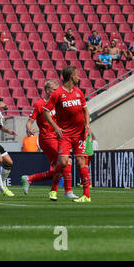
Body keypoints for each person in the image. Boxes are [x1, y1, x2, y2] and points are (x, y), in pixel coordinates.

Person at [43, 65, 92, 202]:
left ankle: (86, 195)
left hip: (80, 133)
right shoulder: (57, 93)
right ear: (71, 77)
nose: (78, 77)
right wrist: (56, 127)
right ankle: (54, 189)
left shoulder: (79, 93)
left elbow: (85, 110)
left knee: (80, 160)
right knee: (63, 163)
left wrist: (87, 124)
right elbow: (45, 111)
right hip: (65, 134)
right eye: (76, 75)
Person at [21, 80, 77, 199]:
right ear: (47, 90)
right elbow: (29, 122)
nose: (57, 92)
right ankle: (67, 191)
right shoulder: (39, 104)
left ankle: (30, 179)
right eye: (54, 90)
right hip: (47, 138)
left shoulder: (58, 104)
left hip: (59, 138)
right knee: (66, 161)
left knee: (59, 169)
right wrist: (30, 129)